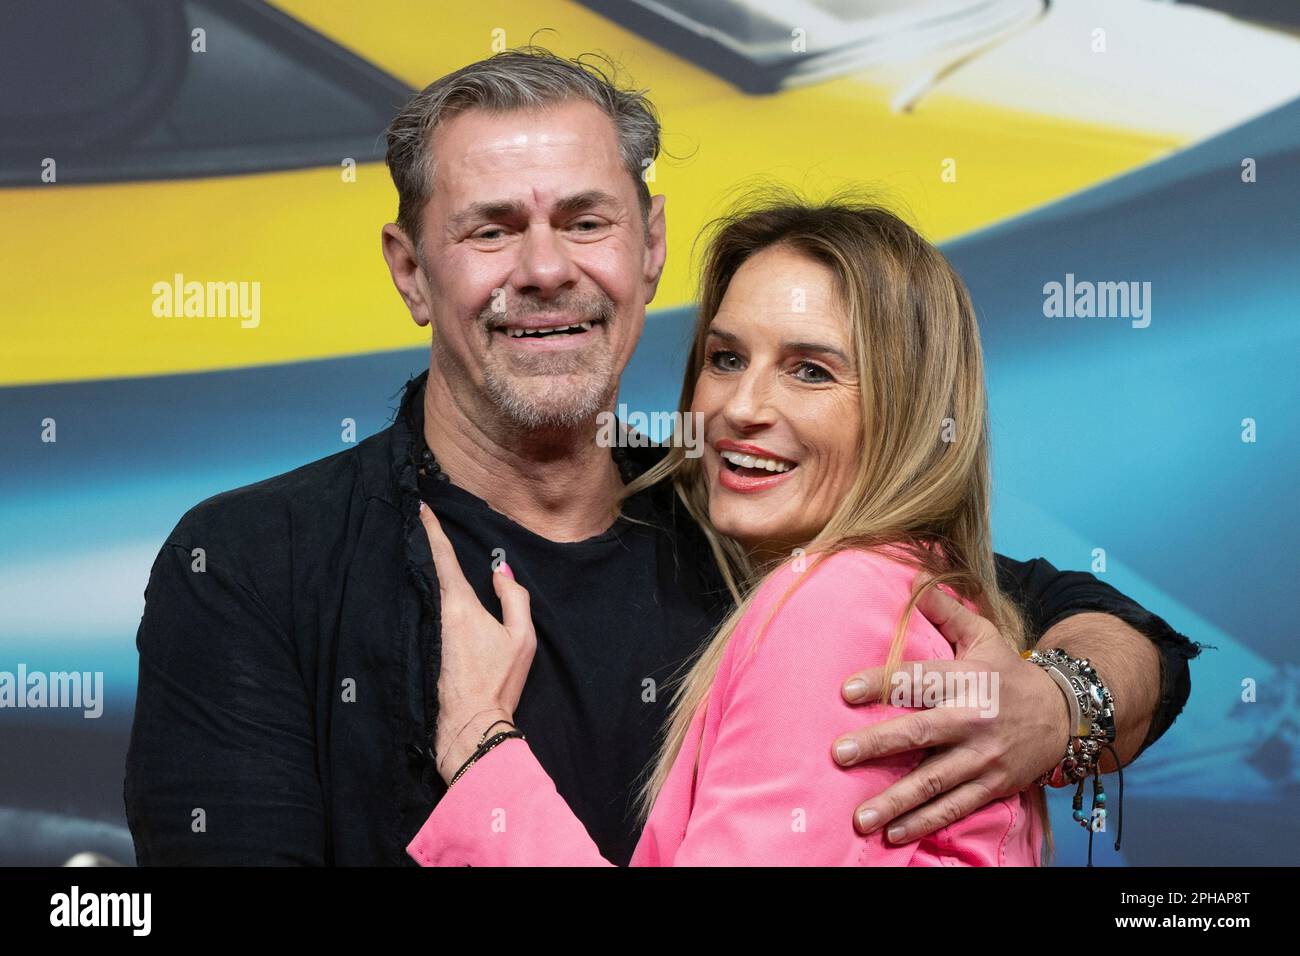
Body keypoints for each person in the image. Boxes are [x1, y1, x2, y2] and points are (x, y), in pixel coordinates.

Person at [123, 48, 1199, 866]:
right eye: (492, 229)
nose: (545, 269)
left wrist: (1061, 704)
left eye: (586, 221)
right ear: (410, 271)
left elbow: (1113, 627)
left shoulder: (767, 529)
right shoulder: (255, 563)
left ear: (648, 248)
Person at [409, 196, 1050, 865]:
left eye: (810, 371)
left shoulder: (837, 604)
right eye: (727, 358)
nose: (740, 408)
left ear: (910, 414)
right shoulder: (908, 587)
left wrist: (480, 743)